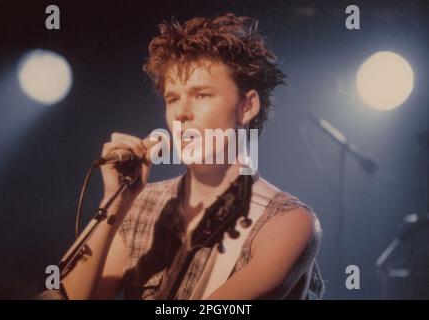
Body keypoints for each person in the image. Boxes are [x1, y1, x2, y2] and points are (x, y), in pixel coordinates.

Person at [58, 13, 324, 300]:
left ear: (247, 107)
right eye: (173, 98)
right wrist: (113, 203)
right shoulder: (143, 205)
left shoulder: (287, 221)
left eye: (202, 95)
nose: (181, 113)